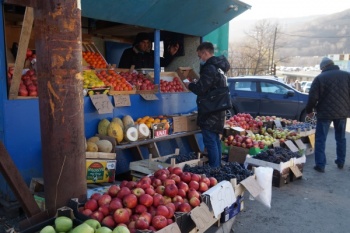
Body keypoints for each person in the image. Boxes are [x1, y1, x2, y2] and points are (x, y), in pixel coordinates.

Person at [184, 42, 230, 167]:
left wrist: (190, 85)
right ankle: (218, 168)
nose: (200, 59)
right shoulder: (220, 68)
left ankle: (214, 170)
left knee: (210, 141)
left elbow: (201, 89)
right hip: (218, 109)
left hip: (210, 110)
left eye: (200, 56)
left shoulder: (210, 68)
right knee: (215, 140)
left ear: (205, 53)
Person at [305, 57, 350, 173]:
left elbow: (312, 97)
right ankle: (341, 161)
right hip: (342, 113)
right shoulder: (347, 75)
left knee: (320, 139)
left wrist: (309, 110)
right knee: (341, 138)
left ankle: (320, 165)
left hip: (324, 113)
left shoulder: (320, 78)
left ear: (324, 67)